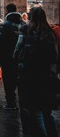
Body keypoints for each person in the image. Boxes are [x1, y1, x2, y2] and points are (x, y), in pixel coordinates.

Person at [13, 7, 58, 136]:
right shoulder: (50, 31)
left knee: (33, 110)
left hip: (29, 75)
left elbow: (17, 51)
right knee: (46, 111)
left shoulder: (26, 30)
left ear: (30, 16)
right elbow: (54, 56)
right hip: (47, 76)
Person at [0, 3, 23, 110]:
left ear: (7, 11)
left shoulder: (4, 25)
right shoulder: (24, 24)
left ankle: (11, 103)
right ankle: (22, 102)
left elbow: (0, 42)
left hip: (7, 58)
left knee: (8, 80)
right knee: (20, 80)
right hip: (21, 58)